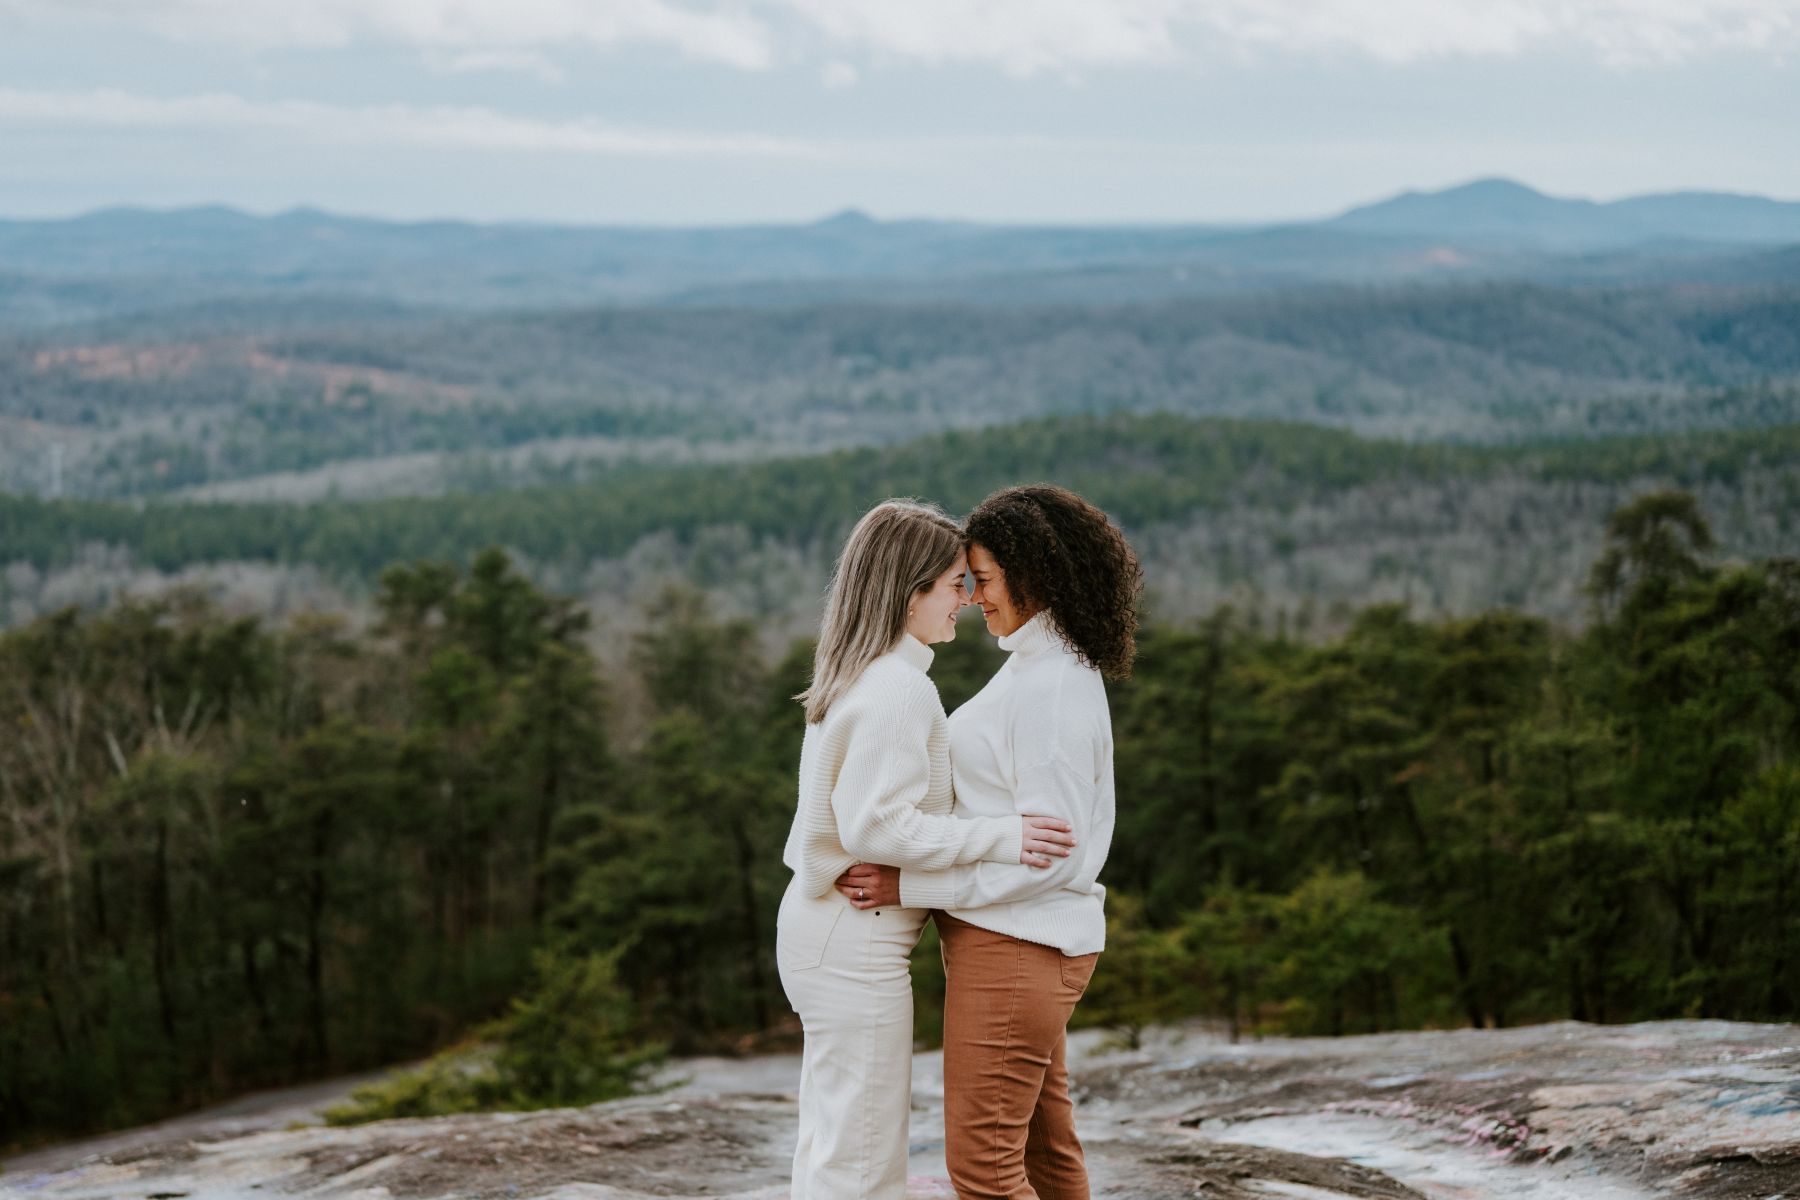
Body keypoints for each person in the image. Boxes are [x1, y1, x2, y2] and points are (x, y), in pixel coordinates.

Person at [837, 484, 1142, 1200]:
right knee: (1044, 1151)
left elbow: (1053, 857)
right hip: (1020, 943)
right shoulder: (1045, 666)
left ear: (1034, 575)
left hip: (1015, 946)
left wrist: (912, 887)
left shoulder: (1051, 689)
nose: (973, 598)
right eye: (966, 582)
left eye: (985, 579)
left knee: (983, 1169)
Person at [779, 497, 1079, 1200]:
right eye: (955, 585)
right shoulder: (898, 690)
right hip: (853, 944)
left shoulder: (861, 673)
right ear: (909, 591)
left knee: (835, 1141)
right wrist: (1005, 836)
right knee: (861, 1162)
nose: (968, 602)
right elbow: (877, 829)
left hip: (827, 934)